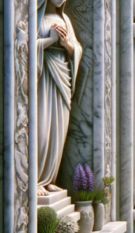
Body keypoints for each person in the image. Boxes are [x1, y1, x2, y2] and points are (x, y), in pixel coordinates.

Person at [36, 0, 82, 196]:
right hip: (43, 76)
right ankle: (36, 179)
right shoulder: (35, 17)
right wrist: (50, 41)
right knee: (42, 129)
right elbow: (26, 47)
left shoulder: (65, 19)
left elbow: (77, 50)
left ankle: (50, 179)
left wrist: (66, 44)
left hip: (63, 78)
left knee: (58, 131)